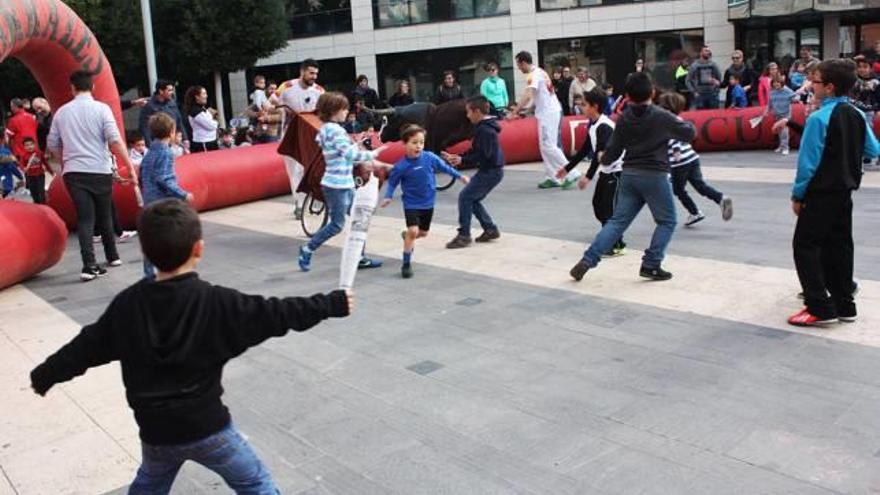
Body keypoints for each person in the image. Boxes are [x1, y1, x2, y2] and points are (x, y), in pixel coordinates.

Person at [29, 198, 353, 494]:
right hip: (210, 430)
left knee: (150, 483)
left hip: (156, 433)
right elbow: (280, 313)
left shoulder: (127, 306)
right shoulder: (219, 303)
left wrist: (45, 374)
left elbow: (86, 347)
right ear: (199, 248)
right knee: (256, 483)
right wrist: (332, 303)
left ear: (144, 251)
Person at [569, 71, 696, 282]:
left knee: (617, 222)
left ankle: (588, 259)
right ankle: (651, 263)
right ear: (652, 92)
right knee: (667, 221)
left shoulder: (624, 117)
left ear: (627, 95)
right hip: (655, 175)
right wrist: (675, 118)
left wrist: (603, 157)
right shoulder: (661, 116)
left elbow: (613, 152)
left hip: (629, 175)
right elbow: (689, 133)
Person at [788, 59, 879, 326]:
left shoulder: (818, 119)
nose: (811, 86)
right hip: (844, 193)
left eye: (814, 81)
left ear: (829, 87)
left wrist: (798, 196)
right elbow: (873, 150)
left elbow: (808, 165)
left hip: (819, 193)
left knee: (805, 245)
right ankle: (845, 305)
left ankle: (818, 305)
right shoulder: (857, 114)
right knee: (839, 245)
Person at [48, 71, 136, 281]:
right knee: (104, 213)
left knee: (85, 218)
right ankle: (112, 255)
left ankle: (89, 264)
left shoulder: (62, 113)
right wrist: (129, 166)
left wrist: (64, 161)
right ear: (93, 87)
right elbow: (114, 140)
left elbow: (52, 143)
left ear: (72, 88)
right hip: (99, 169)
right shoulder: (102, 109)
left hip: (74, 172)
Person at [297, 92, 386, 272]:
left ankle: (359, 257)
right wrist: (374, 153)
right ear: (333, 110)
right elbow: (351, 156)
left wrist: (355, 144)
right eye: (343, 108)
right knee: (337, 225)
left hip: (343, 183)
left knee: (358, 219)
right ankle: (307, 249)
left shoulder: (329, 130)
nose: (347, 112)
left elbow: (344, 155)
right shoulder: (334, 130)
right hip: (337, 186)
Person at [380, 125, 467, 277]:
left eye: (421, 142)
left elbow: (445, 168)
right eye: (414, 142)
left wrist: (460, 176)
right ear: (405, 143)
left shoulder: (429, 158)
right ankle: (406, 264)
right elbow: (392, 182)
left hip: (428, 202)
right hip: (411, 203)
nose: (418, 146)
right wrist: (388, 196)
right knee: (413, 230)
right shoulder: (401, 166)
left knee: (423, 233)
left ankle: (407, 236)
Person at [557, 88, 626, 256]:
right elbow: (584, 151)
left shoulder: (604, 126)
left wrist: (587, 177)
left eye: (584, 104)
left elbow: (599, 155)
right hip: (607, 172)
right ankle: (615, 239)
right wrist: (567, 168)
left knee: (608, 209)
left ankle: (613, 244)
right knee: (598, 206)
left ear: (595, 106)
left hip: (617, 172)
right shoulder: (593, 126)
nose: (581, 107)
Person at [657, 92, 733, 226]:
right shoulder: (678, 119)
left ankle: (694, 212)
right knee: (700, 186)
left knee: (678, 190)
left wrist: (676, 152)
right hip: (692, 157)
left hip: (680, 162)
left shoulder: (666, 122)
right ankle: (721, 198)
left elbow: (673, 139)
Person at [509, 51, 581, 189]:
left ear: (523, 62)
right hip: (547, 112)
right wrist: (526, 111)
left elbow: (528, 94)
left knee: (549, 146)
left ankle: (572, 172)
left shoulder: (533, 75)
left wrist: (515, 111)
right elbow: (538, 97)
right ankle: (552, 176)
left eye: (518, 65)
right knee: (545, 146)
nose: (519, 68)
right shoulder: (540, 72)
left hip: (549, 114)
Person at [441, 96, 505, 250]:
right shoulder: (484, 128)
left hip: (491, 171)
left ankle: (464, 235)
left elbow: (484, 155)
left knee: (465, 197)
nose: (467, 116)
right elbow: (477, 150)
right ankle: (490, 229)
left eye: (468, 112)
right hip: (491, 170)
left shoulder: (485, 130)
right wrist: (460, 158)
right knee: (472, 199)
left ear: (477, 112)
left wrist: (462, 159)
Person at [139, 112, 194, 279]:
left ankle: (150, 274)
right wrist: (183, 194)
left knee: (152, 238)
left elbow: (143, 174)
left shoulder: (149, 153)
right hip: (162, 202)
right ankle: (171, 270)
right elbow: (164, 179)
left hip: (149, 199)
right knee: (168, 236)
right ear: (171, 132)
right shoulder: (166, 152)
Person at [277, 58, 324, 220]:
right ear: (302, 72)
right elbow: (270, 104)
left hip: (310, 136)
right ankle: (298, 204)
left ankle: (313, 200)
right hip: (289, 136)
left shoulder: (319, 90)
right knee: (294, 171)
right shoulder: (286, 87)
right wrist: (275, 109)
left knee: (309, 169)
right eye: (311, 73)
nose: (314, 76)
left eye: (316, 74)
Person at [763, 76, 799, 155]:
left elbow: (796, 96)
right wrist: (766, 111)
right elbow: (770, 103)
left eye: (778, 82)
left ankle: (786, 148)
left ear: (781, 83)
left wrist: (795, 99)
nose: (776, 84)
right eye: (774, 83)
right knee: (779, 131)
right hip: (777, 114)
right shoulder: (772, 92)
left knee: (784, 131)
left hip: (785, 114)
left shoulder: (787, 90)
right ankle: (781, 146)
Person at [183, 86, 219, 153]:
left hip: (210, 141)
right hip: (204, 143)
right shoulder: (196, 111)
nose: (206, 96)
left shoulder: (202, 108)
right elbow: (212, 126)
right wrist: (215, 120)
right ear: (197, 96)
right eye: (204, 94)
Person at [19, 137, 52, 204]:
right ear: (24, 147)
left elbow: (45, 163)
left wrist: (51, 172)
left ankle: (44, 206)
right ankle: (37, 205)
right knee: (34, 192)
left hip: (40, 175)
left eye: (31, 144)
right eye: (27, 145)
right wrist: (23, 168)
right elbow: (21, 165)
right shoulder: (24, 156)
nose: (29, 146)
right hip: (30, 177)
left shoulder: (39, 153)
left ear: (34, 144)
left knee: (41, 192)